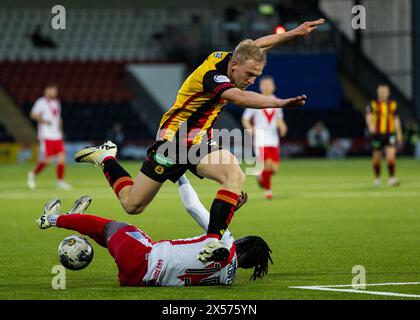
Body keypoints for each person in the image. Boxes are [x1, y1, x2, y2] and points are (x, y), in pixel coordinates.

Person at [74, 19, 324, 262]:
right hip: (173, 141)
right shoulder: (213, 75)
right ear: (235, 65)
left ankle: (212, 241)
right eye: (249, 75)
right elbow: (238, 98)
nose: (251, 81)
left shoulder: (233, 58)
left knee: (234, 175)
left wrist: (294, 32)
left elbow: (258, 45)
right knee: (132, 205)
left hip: (200, 142)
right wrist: (279, 103)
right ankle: (106, 157)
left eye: (256, 76)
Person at [37, 175, 273, 286]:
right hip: (138, 280)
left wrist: (180, 174)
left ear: (243, 241)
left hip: (144, 256)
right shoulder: (227, 280)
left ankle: (53, 218)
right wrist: (228, 217)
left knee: (112, 226)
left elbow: (193, 207)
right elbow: (219, 246)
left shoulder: (225, 242)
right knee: (115, 238)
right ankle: (77, 220)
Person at [241, 75, 287, 199]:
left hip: (273, 139)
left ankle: (260, 175)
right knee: (267, 165)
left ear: (274, 87)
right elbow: (245, 119)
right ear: (260, 87)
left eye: (269, 84)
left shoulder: (277, 101)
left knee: (275, 169)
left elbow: (279, 120)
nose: (267, 86)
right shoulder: (255, 101)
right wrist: (250, 130)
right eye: (264, 84)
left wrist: (282, 127)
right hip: (260, 139)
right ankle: (268, 191)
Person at [27, 83, 72, 190]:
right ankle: (32, 174)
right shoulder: (41, 102)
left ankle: (60, 181)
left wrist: (61, 131)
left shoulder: (57, 102)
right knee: (48, 160)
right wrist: (43, 120)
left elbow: (58, 118)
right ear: (46, 91)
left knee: (62, 158)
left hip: (57, 135)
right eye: (52, 90)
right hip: (46, 135)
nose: (54, 92)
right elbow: (33, 114)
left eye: (55, 90)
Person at [365, 84, 403, 187]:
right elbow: (369, 116)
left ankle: (391, 178)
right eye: (381, 91)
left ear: (388, 93)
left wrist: (399, 133)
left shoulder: (393, 105)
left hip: (390, 133)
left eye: (385, 91)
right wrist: (370, 125)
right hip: (377, 134)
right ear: (378, 92)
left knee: (391, 155)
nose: (383, 93)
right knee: (377, 157)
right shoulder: (372, 105)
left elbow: (396, 119)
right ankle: (377, 178)